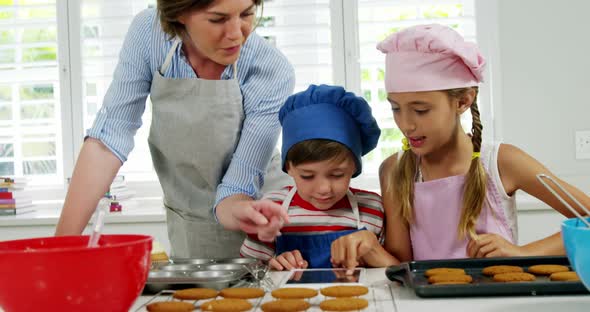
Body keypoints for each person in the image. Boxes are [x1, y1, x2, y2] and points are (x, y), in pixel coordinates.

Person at [55, 0, 295, 259]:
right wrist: (59, 250)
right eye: (218, 19)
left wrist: (245, 212)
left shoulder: (271, 71)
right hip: (188, 224)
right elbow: (111, 135)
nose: (237, 33)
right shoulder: (150, 33)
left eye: (247, 14)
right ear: (179, 13)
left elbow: (240, 184)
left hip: (260, 226)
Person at [376, 24, 590, 261]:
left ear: (463, 101)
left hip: (501, 298)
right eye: (395, 108)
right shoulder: (393, 170)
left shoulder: (502, 162)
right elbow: (401, 266)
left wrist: (523, 253)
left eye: (421, 110)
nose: (406, 124)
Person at [240, 84, 399, 270]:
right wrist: (274, 268)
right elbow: (248, 273)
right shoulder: (273, 209)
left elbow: (393, 274)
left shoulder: (372, 208)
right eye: (307, 176)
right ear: (288, 167)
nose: (324, 189)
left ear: (354, 167)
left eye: (337, 174)